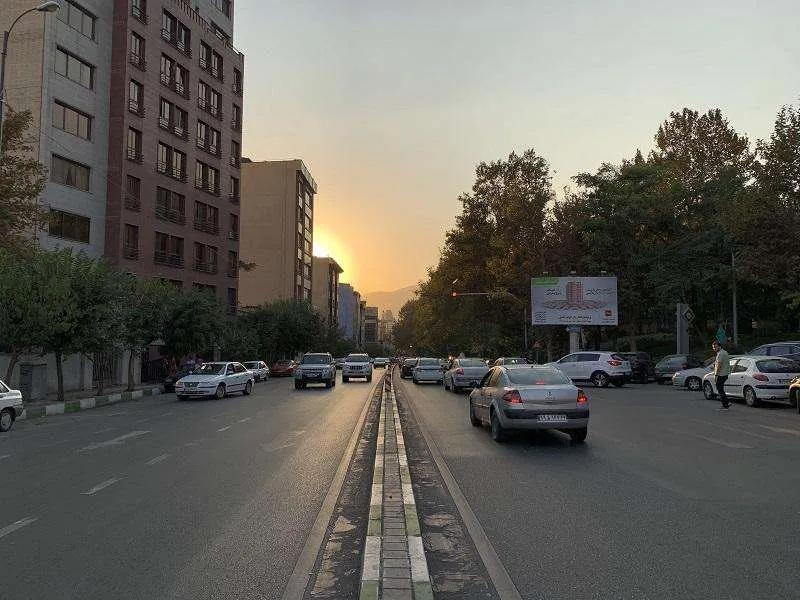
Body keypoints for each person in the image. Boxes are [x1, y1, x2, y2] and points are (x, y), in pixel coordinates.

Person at [712, 340, 731, 410]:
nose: (714, 348)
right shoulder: (724, 352)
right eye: (713, 347)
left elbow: (719, 365)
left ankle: (725, 405)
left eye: (715, 347)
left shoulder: (720, 354)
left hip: (721, 374)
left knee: (720, 390)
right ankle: (727, 402)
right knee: (721, 389)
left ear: (719, 346)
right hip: (725, 374)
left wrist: (716, 375)